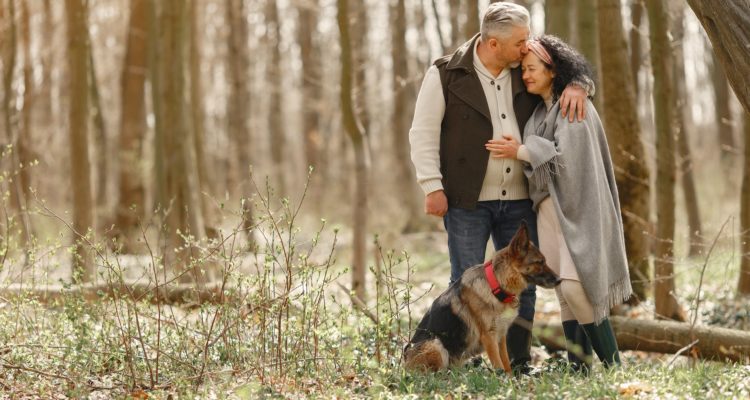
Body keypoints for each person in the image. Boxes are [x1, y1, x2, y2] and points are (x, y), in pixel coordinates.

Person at [408, 3, 593, 374]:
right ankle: (470, 359)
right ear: (494, 43)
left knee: (522, 285)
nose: (527, 48)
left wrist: (580, 84)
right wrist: (432, 185)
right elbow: (423, 133)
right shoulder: (446, 73)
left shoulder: (523, 69)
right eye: (521, 42)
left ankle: (519, 362)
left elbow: (565, 66)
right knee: (466, 282)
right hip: (466, 200)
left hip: (521, 196)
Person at [486, 35, 632, 371]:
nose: (525, 75)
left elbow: (569, 163)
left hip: (579, 210)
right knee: (563, 293)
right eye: (523, 69)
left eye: (532, 68)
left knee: (575, 287)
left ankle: (613, 367)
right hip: (548, 211)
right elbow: (544, 158)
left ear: (553, 71)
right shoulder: (539, 113)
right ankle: (579, 368)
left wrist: (520, 150)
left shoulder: (573, 107)